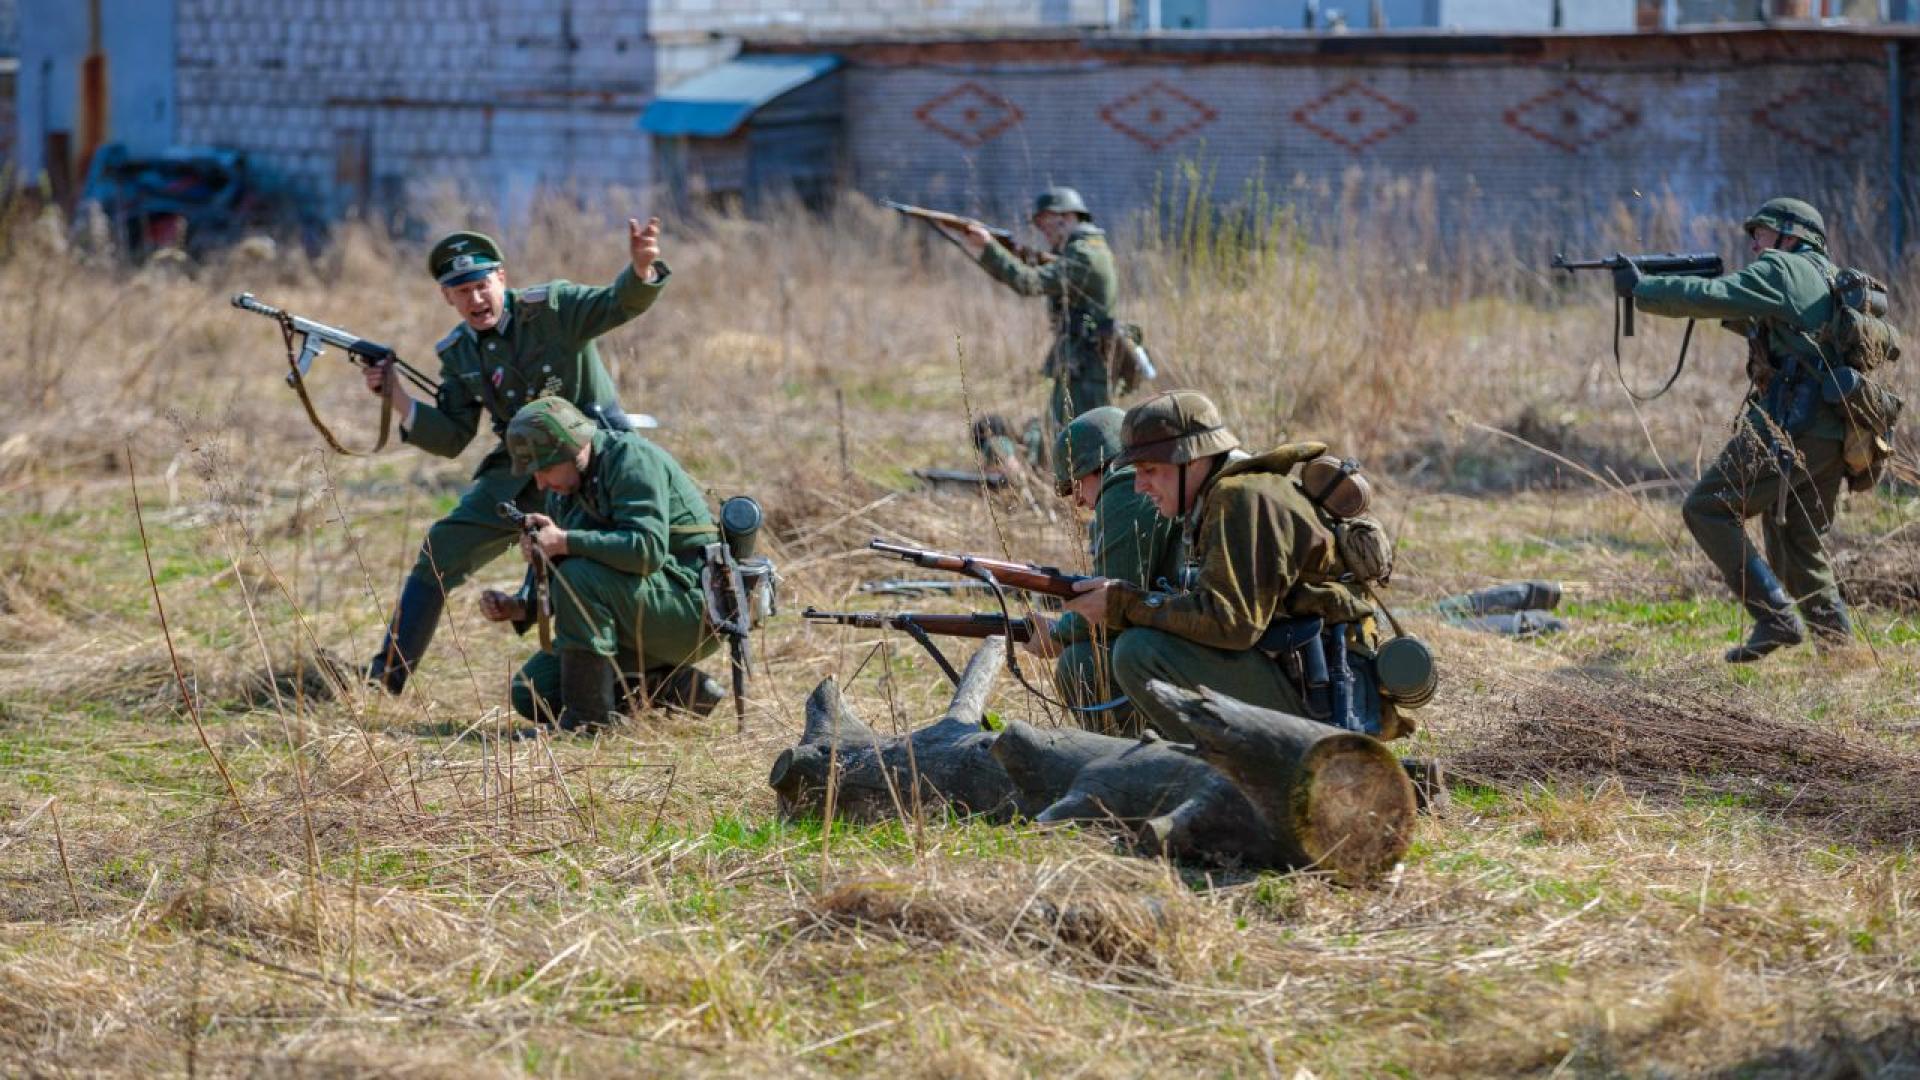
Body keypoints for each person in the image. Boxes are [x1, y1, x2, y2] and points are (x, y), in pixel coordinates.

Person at [361, 218, 670, 694]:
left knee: (601, 566)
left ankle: (656, 680)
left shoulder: (554, 310)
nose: (475, 300)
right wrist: (396, 396)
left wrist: (641, 268)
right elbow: (452, 437)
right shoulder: (460, 353)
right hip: (519, 473)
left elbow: (618, 303)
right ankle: (385, 681)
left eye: (481, 285)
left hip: (591, 464)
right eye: (461, 292)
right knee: (440, 550)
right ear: (446, 297)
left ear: (501, 278)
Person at [1059, 391, 1375, 742]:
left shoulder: (1238, 498)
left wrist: (1124, 604)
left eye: (1150, 470)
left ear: (1192, 460)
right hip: (1301, 679)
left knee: (1139, 652)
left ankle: (1208, 774)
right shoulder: (1224, 495)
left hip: (1322, 698)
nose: (1139, 485)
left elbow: (1232, 624)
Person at [1623, 197, 1854, 661]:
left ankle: (1774, 617)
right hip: (1836, 434)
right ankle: (1841, 651)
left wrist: (1642, 290)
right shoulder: (1825, 277)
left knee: (1708, 509)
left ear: (1791, 235)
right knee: (1794, 537)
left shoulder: (1782, 268)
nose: (1754, 243)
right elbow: (1758, 322)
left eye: (1761, 232)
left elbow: (1716, 299)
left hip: (1793, 425)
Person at [484, 397, 723, 731]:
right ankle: (674, 687)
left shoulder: (632, 461)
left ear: (574, 449)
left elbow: (647, 550)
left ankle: (588, 722)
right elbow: (575, 575)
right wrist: (518, 606)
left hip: (693, 613)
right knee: (532, 691)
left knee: (580, 575)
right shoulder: (565, 488)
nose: (540, 484)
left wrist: (565, 541)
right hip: (635, 611)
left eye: (545, 469)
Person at [1018, 407, 1180, 734]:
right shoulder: (1153, 483)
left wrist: (1058, 634)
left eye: (1074, 484)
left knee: (1080, 664)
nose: (1077, 499)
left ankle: (1129, 770)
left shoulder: (1122, 491)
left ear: (1096, 468)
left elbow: (1110, 608)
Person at [952, 187, 1119, 439]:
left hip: (1088, 364)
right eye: (1040, 224)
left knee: (1081, 437)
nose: (1044, 230)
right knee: (1065, 433)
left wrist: (989, 248)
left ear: (1068, 217)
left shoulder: (1085, 254)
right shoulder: (1083, 249)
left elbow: (1029, 282)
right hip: (1079, 361)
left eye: (1048, 221)